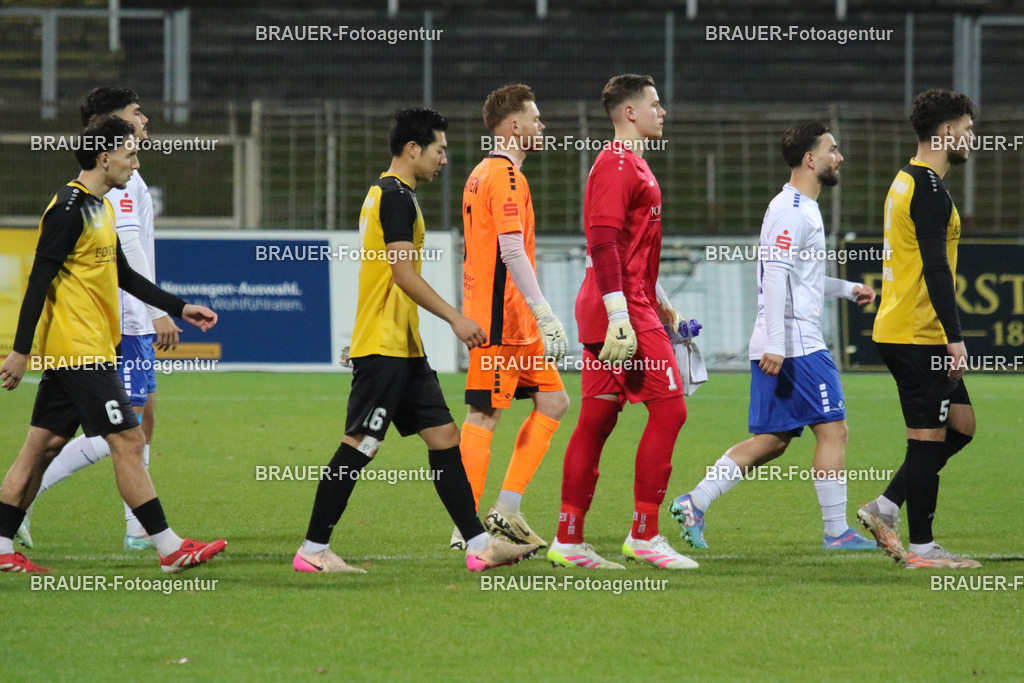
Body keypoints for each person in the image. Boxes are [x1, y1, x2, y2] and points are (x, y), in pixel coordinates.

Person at [293, 108, 538, 574]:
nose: (444, 159)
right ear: (413, 149)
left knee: (445, 437)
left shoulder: (387, 194)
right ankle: (312, 550)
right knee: (360, 444)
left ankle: (480, 544)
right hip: (383, 346)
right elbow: (402, 274)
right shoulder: (395, 197)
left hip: (403, 347)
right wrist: (455, 318)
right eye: (439, 150)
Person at [0, 115, 225, 573]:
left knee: (39, 449)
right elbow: (38, 280)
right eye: (129, 153)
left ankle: (1, 549)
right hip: (77, 351)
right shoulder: (67, 208)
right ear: (105, 157)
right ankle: (169, 547)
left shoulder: (101, 207)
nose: (135, 162)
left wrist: (181, 308)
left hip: (90, 350)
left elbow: (124, 276)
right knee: (127, 438)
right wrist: (20, 351)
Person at [668, 122, 878, 552]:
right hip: (796, 345)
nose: (838, 157)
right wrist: (778, 344)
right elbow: (777, 276)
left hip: (781, 342)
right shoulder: (793, 210)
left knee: (773, 441)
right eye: (832, 150)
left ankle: (696, 501)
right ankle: (836, 532)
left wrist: (847, 289)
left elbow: (801, 277)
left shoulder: (799, 207)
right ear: (809, 159)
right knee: (833, 431)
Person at [17, 86, 180, 552]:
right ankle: (158, 538)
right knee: (125, 431)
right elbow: (121, 255)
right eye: (134, 114)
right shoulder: (98, 195)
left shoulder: (119, 185)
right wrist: (153, 313)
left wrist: (173, 306)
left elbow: (123, 260)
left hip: (111, 331)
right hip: (111, 331)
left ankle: (138, 528)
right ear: (110, 134)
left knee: (123, 429)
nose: (143, 119)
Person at [548, 74, 697, 571]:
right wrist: (621, 315)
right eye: (655, 104)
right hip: (621, 309)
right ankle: (645, 534)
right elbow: (603, 244)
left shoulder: (629, 164)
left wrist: (662, 300)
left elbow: (631, 248)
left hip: (626, 302)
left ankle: (569, 539)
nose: (663, 111)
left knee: (597, 417)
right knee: (670, 411)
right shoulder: (617, 165)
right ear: (629, 112)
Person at [858, 89, 981, 570]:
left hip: (912, 328)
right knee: (926, 440)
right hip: (916, 333)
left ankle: (884, 506)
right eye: (968, 129)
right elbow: (935, 270)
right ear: (946, 132)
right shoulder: (926, 188)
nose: (972, 138)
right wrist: (954, 337)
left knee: (962, 427)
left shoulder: (911, 180)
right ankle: (924, 550)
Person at [453, 84, 569, 551]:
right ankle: (466, 528)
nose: (542, 127)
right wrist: (544, 310)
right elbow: (511, 248)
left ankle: (508, 508)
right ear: (514, 126)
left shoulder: (482, 172)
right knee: (482, 416)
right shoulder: (504, 176)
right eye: (536, 119)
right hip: (500, 324)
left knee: (555, 402)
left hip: (514, 325)